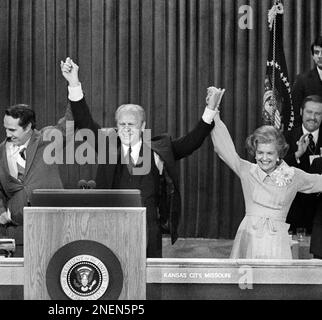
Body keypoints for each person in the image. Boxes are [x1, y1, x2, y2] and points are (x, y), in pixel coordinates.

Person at [61, 58, 219, 258]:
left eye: (132, 125)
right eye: (123, 125)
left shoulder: (158, 151)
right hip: (111, 226)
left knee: (149, 283)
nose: (126, 129)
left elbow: (192, 141)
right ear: (117, 127)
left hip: (148, 229)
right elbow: (84, 122)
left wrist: (210, 110)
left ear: (143, 127)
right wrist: (73, 81)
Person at [211, 88, 322, 259]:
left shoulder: (293, 175)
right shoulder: (247, 170)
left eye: (269, 153)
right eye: (260, 152)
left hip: (277, 243)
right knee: (245, 285)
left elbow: (318, 181)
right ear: (254, 152)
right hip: (248, 240)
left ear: (279, 153)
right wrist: (214, 113)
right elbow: (224, 149)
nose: (264, 158)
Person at [0, 92, 74, 251]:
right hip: (17, 232)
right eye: (6, 129)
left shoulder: (47, 139)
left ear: (28, 127)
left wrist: (74, 86)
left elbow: (70, 122)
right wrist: (0, 211)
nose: (8, 134)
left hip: (53, 225)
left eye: (13, 130)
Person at [284, 95, 322, 234]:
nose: (313, 117)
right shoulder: (285, 137)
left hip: (319, 216)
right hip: (293, 213)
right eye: (309, 112)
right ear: (301, 112)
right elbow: (275, 169)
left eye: (318, 113)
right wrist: (296, 155)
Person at [292, 36, 322, 123]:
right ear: (313, 56)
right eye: (316, 52)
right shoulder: (302, 80)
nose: (320, 56)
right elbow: (295, 113)